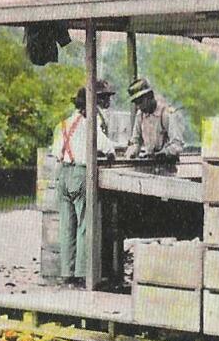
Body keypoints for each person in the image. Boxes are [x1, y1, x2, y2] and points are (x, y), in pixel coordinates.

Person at [51, 80, 116, 286]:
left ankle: (66, 273)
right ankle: (81, 273)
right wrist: (109, 154)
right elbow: (108, 149)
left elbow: (55, 152)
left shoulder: (62, 125)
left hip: (62, 174)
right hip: (80, 174)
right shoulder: (90, 124)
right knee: (84, 225)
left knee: (66, 226)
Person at [125, 78, 184, 162]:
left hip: (168, 165)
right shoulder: (140, 115)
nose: (139, 106)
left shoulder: (166, 113)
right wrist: (132, 152)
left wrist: (163, 153)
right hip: (149, 164)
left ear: (150, 96)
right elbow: (135, 140)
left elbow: (177, 144)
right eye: (136, 103)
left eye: (141, 101)